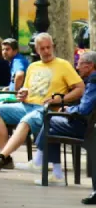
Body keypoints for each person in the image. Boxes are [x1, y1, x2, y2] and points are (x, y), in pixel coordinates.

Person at [0, 33, 84, 173]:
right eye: (42, 48)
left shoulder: (63, 65)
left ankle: (1, 156)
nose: (46, 51)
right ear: (36, 50)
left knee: (27, 120)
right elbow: (27, 88)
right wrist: (23, 92)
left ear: (53, 47)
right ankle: (6, 158)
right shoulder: (33, 66)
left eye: (49, 47)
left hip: (48, 108)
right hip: (26, 105)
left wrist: (62, 99)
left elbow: (80, 88)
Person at [32, 51, 96, 191]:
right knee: (52, 123)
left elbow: (84, 109)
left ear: (90, 65)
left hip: (87, 129)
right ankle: (56, 172)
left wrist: (68, 110)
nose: (77, 68)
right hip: (88, 125)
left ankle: (41, 160)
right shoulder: (90, 81)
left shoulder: (93, 81)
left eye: (79, 64)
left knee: (50, 119)